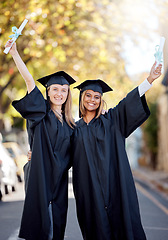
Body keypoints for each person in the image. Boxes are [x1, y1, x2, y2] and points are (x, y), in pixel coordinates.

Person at [71, 62, 162, 240]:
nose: (92, 99)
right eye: (88, 95)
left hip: (115, 185)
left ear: (101, 100)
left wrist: (150, 79)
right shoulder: (73, 128)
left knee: (122, 226)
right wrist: (34, 155)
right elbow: (61, 154)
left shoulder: (112, 121)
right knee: (94, 228)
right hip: (88, 190)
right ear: (81, 97)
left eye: (97, 97)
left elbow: (129, 101)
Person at [5, 40, 76, 240]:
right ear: (48, 91)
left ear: (68, 93)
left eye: (63, 90)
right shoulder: (40, 112)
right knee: (41, 223)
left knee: (58, 221)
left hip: (60, 179)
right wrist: (15, 54)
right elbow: (29, 81)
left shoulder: (71, 123)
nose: (59, 93)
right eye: (55, 89)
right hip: (40, 174)